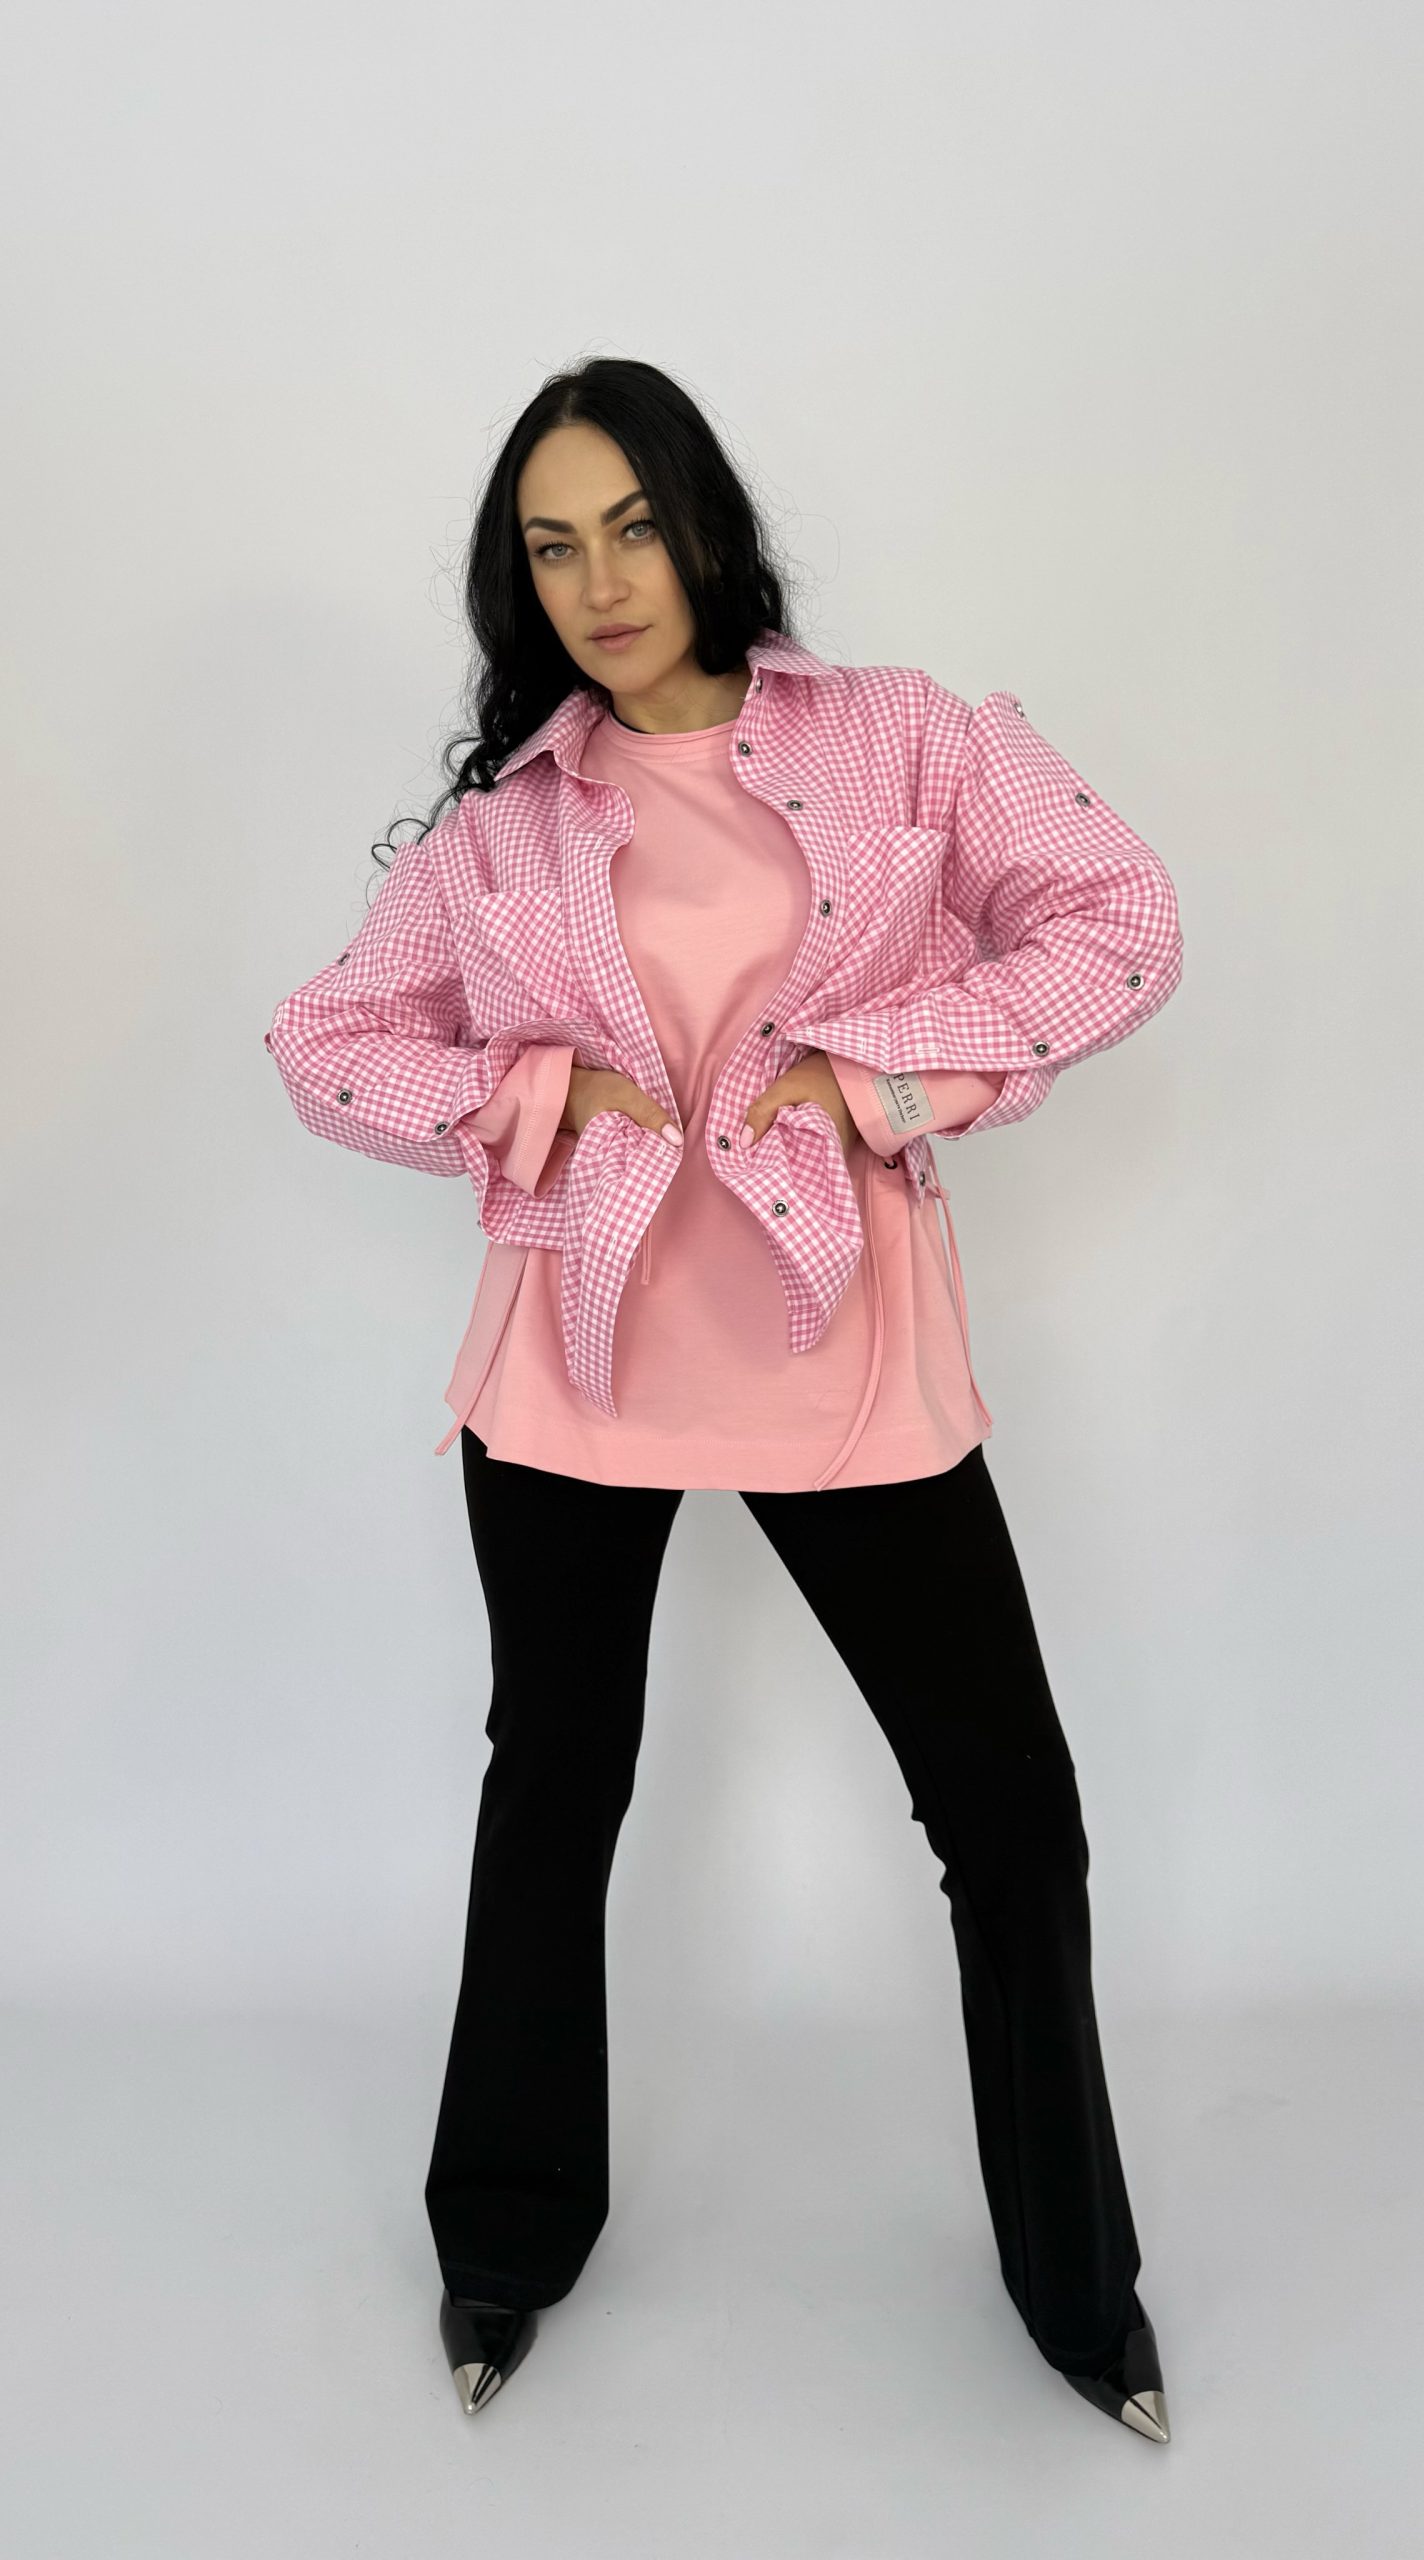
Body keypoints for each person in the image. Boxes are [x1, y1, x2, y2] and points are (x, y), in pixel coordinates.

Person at [264, 357, 1183, 2444]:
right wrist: (530, 1093)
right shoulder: (507, 825)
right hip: (572, 1376)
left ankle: (1078, 2288)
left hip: (839, 1355)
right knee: (555, 1788)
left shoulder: (906, 736)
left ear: (704, 525)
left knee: (1009, 1809)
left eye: (632, 527)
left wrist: (878, 1077)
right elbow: (325, 1040)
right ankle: (504, 2246)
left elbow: (1120, 923)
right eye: (550, 547)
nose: (600, 582)